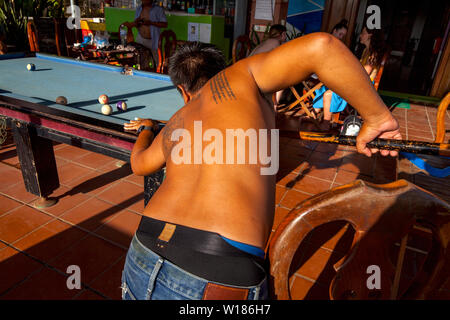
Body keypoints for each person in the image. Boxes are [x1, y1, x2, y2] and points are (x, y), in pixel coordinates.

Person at [121, 34, 401, 300]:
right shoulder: (243, 76)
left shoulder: (176, 121)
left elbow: (139, 163)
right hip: (215, 272)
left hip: (142, 253)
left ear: (183, 91)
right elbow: (322, 46)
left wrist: (147, 129)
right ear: (223, 68)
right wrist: (377, 116)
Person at [312, 26, 388, 131]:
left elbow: (365, 72)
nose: (360, 35)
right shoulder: (366, 50)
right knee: (328, 84)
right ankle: (315, 112)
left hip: (362, 87)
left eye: (363, 33)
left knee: (329, 93)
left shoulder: (373, 53)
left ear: (369, 35)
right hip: (358, 82)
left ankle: (326, 124)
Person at [249, 24, 287, 110]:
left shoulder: (269, 41)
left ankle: (271, 103)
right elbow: (280, 61)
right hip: (254, 74)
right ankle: (274, 106)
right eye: (285, 34)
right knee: (284, 80)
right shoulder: (275, 42)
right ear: (283, 34)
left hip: (249, 70)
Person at [134, 0, 168, 67]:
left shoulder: (158, 9)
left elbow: (164, 24)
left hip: (153, 40)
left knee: (157, 62)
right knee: (142, 62)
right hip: (141, 39)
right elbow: (136, 24)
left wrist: (151, 23)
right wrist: (137, 22)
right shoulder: (139, 9)